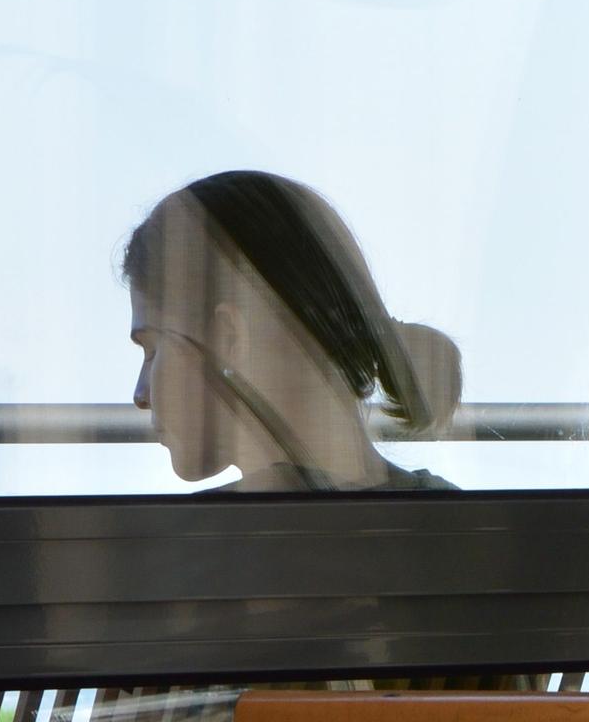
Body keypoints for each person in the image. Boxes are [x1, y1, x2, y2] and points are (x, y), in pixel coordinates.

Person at [124, 169, 462, 491]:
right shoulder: (462, 526)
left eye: (152, 350)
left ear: (227, 339)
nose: (141, 396)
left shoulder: (188, 542)